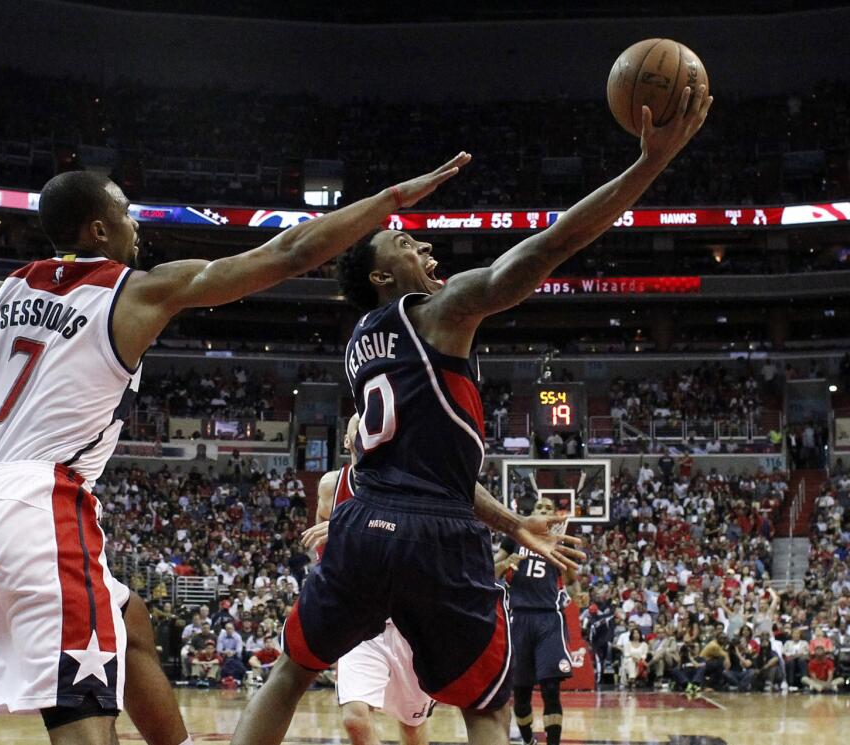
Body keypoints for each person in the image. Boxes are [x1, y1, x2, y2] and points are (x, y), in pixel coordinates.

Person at [0, 160, 468, 745]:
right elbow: (289, 251)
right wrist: (389, 199)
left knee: (130, 622)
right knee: (78, 706)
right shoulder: (135, 291)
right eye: (124, 210)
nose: (135, 221)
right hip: (37, 509)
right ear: (98, 229)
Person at [231, 88, 712, 745]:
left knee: (290, 671)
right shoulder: (440, 311)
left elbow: (438, 467)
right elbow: (543, 251)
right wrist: (648, 166)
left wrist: (515, 522)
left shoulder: (361, 345)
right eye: (405, 243)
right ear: (380, 276)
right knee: (484, 707)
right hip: (435, 535)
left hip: (362, 526)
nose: (424, 246)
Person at [302, 414, 436, 745]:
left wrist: (350, 529)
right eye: (359, 426)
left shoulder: (411, 483)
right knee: (354, 719)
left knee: (412, 726)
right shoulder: (332, 486)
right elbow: (322, 546)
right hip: (359, 620)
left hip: (407, 619)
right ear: (348, 441)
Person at [494, 497, 583, 745]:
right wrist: (506, 563)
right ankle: (528, 741)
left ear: (554, 516)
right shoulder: (514, 537)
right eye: (539, 508)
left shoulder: (559, 543)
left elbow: (572, 580)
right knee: (520, 693)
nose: (543, 511)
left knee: (551, 689)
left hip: (548, 619)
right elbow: (490, 571)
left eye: (548, 508)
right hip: (518, 618)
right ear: (531, 513)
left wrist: (579, 595)